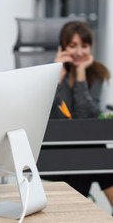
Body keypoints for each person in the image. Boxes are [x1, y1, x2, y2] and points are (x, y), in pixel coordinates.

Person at [47, 20, 113, 210]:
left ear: (91, 48)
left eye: (84, 46)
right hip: (54, 150)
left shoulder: (97, 74)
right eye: (72, 45)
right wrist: (56, 75)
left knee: (90, 152)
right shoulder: (49, 72)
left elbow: (88, 116)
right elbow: (46, 111)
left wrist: (82, 73)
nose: (79, 52)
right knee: (96, 154)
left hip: (81, 150)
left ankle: (73, 214)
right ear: (63, 47)